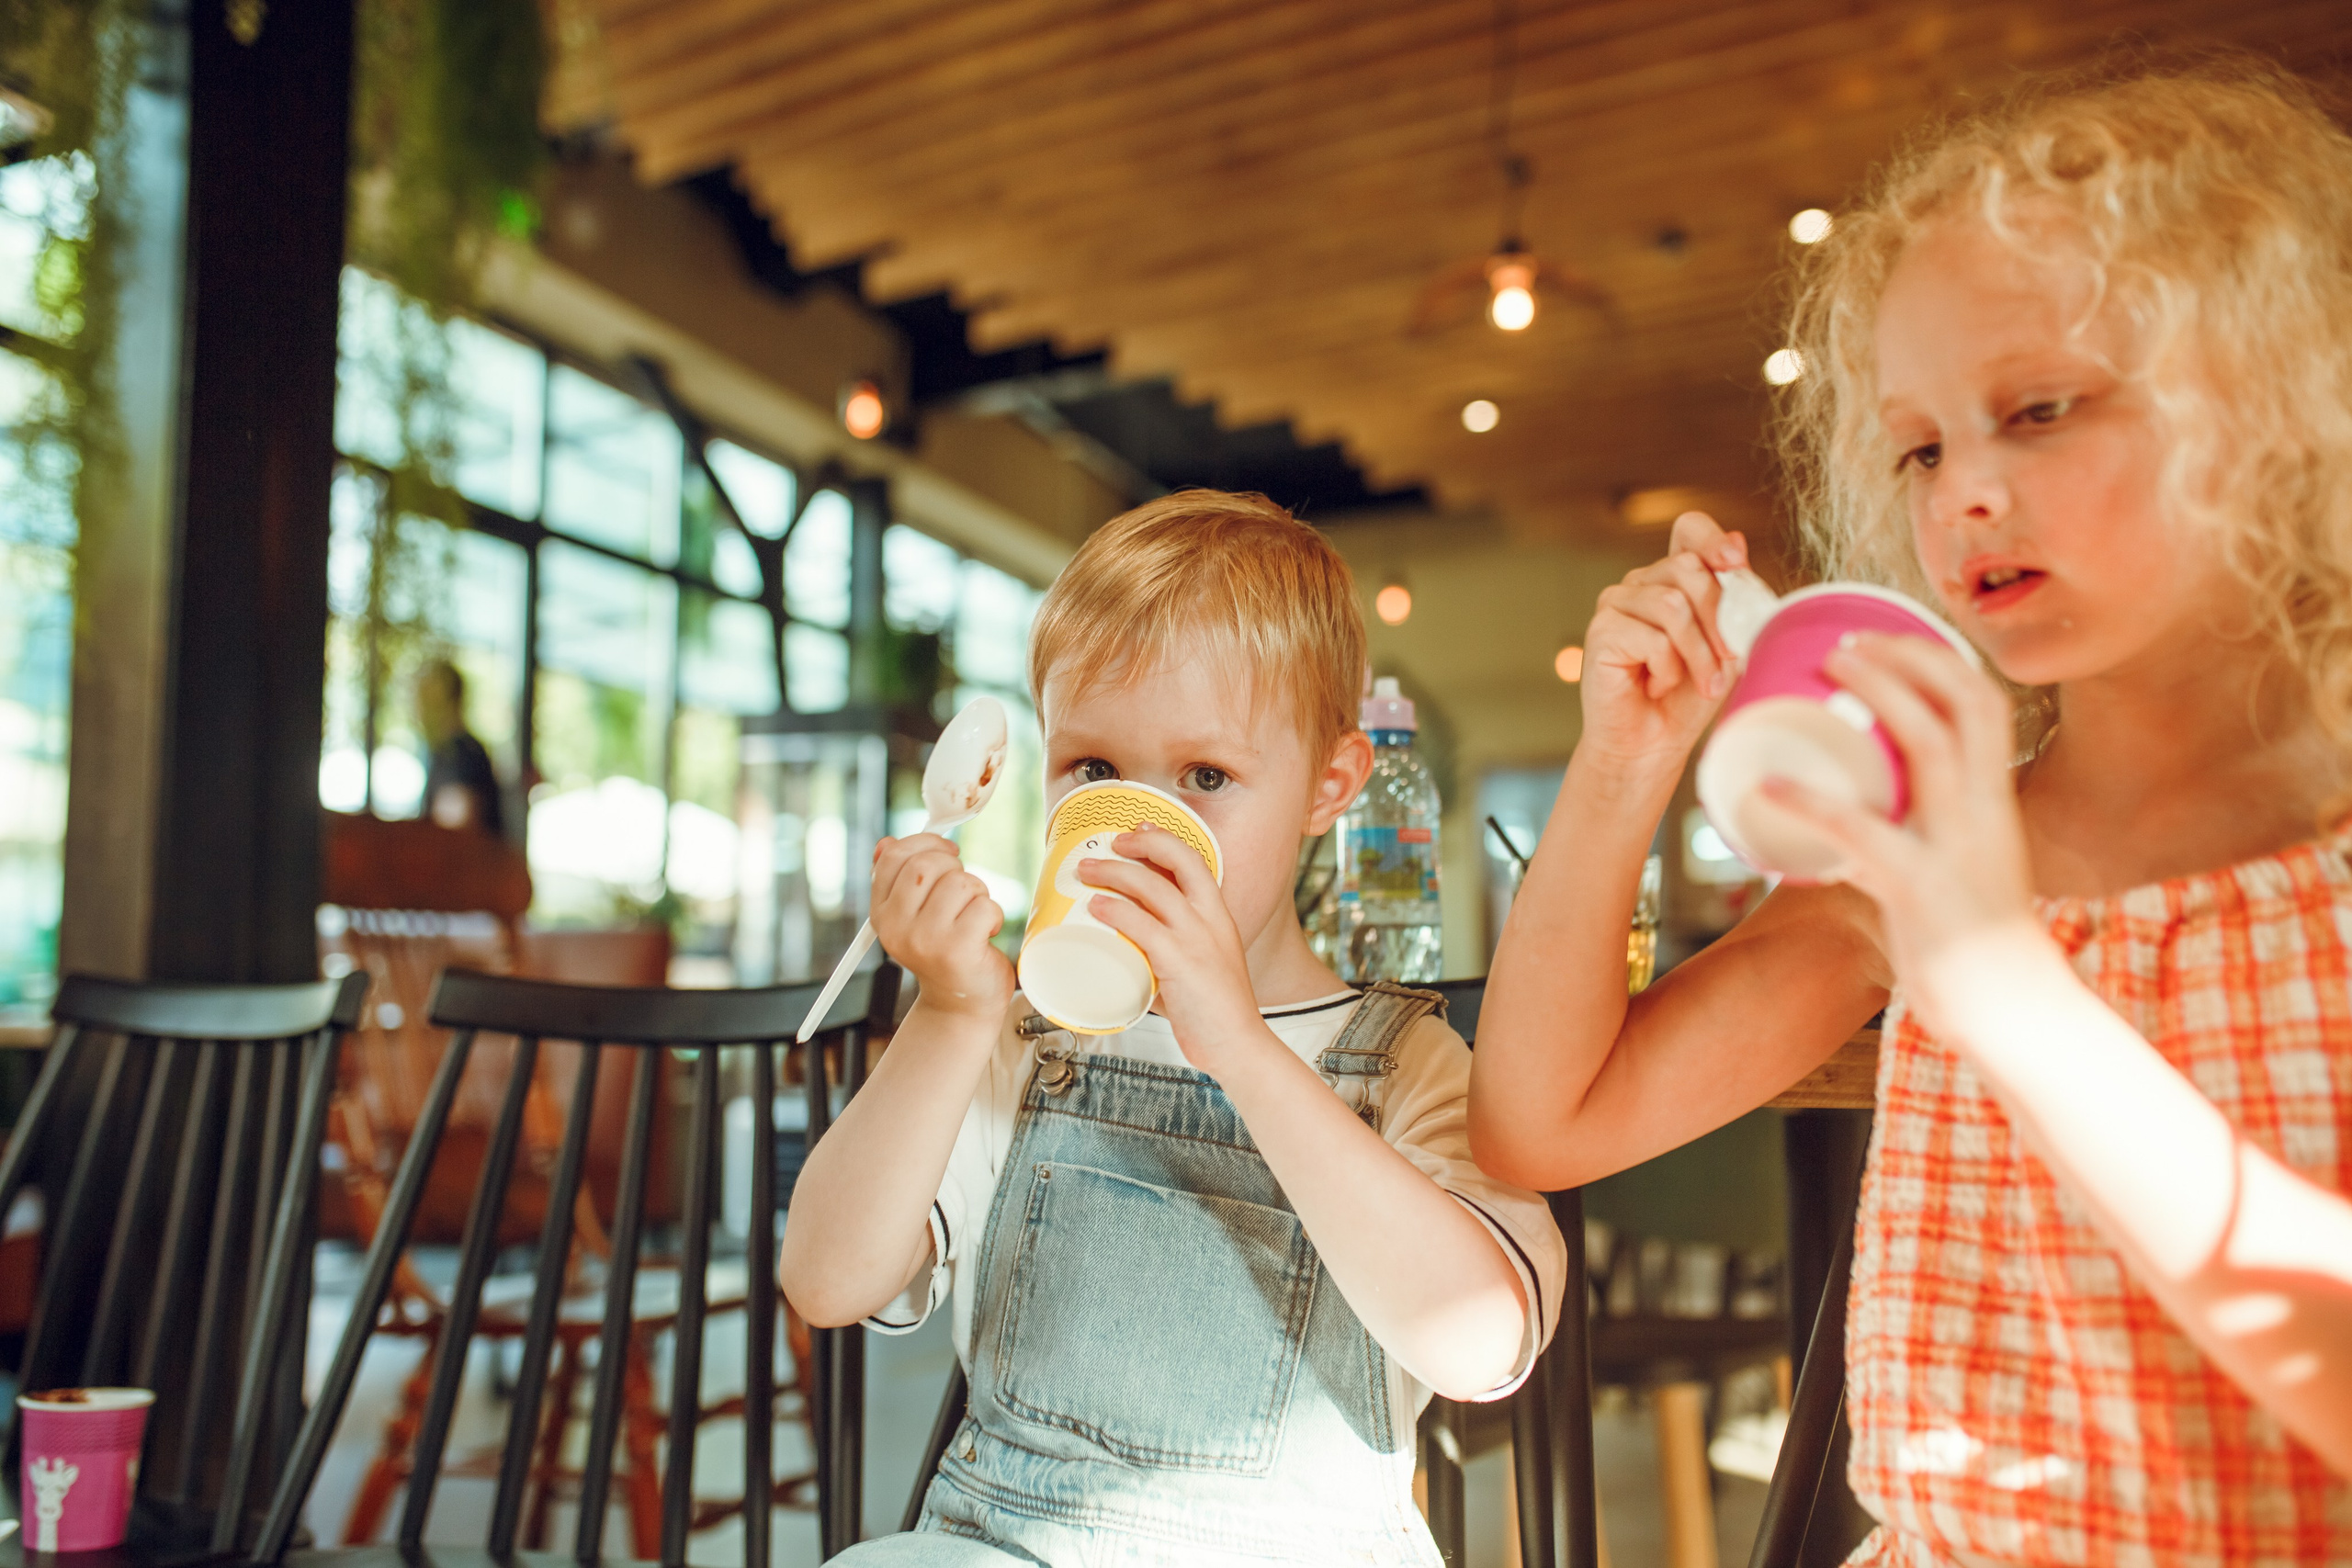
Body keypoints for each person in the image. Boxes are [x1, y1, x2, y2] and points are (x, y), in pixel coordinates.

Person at [1472, 60, 2352, 1567]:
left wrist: (2007, 984)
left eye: (2038, 411)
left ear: (2271, 406)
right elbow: (1539, 1122)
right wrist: (1625, 766)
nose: (1964, 496)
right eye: (1925, 445)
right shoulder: (1915, 864)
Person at [782, 491, 1566, 1567]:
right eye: (1094, 773)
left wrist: (1239, 1044)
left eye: (1205, 778)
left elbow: (1483, 1343)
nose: (1143, 827)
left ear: (1327, 786)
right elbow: (825, 1280)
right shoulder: (1021, 1042)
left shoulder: (1408, 1065)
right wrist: (953, 1014)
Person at [415, 659, 503, 836]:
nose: (418, 709)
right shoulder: (450, 751)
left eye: (425, 698)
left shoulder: (461, 754)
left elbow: (456, 833)